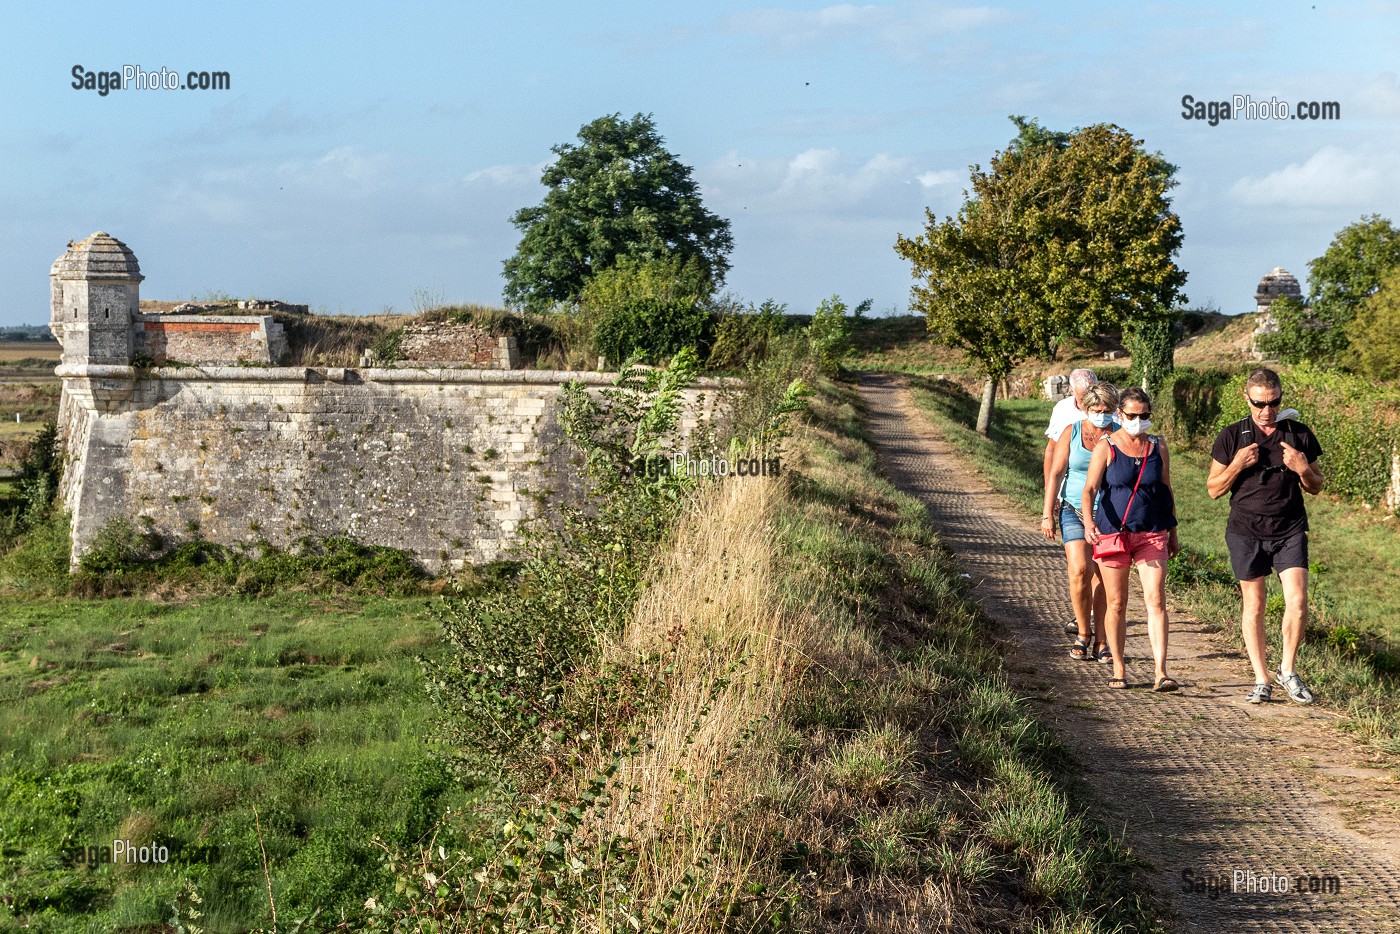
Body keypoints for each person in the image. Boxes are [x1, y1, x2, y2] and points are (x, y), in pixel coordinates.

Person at [1206, 368, 1324, 705]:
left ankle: (1288, 670)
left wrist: (1303, 469)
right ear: (1247, 398)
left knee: (1298, 601)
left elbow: (1316, 485)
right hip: (1246, 530)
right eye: (1259, 403)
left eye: (1274, 403)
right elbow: (1213, 489)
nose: (1266, 411)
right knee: (1254, 604)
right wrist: (1238, 465)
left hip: (1289, 528)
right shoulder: (1232, 436)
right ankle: (1261, 678)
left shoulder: (1298, 433)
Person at [1082, 387, 1181, 691]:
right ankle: (1119, 668)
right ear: (1120, 415)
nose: (1138, 421)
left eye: (1144, 415)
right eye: (1133, 415)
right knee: (1117, 603)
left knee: (1156, 600)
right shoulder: (1106, 446)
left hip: (1152, 532)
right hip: (1113, 533)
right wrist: (1088, 523)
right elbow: (1089, 490)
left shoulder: (1157, 447)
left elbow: (1166, 490)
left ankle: (1161, 672)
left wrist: (1173, 532)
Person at [1042, 381, 1120, 663]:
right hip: (1073, 509)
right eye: (1097, 409)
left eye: (1107, 409)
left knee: (1103, 576)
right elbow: (1056, 472)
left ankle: (1102, 639)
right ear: (1086, 409)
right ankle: (1082, 632)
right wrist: (1047, 513)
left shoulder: (1120, 434)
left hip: (1109, 515)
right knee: (1079, 570)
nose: (1102, 414)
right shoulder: (1072, 431)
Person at [1044, 368, 1098, 635]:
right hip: (1072, 502)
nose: (1086, 404)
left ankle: (1096, 622)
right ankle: (1083, 623)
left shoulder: (1111, 415)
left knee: (1098, 571)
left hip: (1105, 507)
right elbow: (1052, 455)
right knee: (1080, 568)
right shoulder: (1064, 412)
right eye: (1081, 398)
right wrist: (1050, 500)